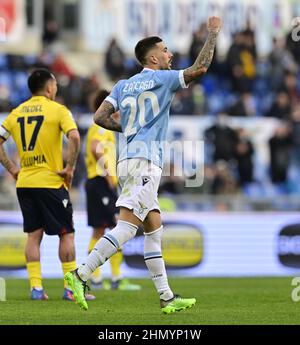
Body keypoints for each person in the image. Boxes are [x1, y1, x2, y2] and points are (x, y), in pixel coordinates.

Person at [65, 16, 221, 313]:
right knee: (126, 228)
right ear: (153, 57)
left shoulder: (123, 85)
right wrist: (212, 34)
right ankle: (80, 274)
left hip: (129, 159)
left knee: (153, 227)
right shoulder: (163, 79)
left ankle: (166, 297)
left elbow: (99, 117)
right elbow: (200, 68)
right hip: (145, 162)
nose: (170, 54)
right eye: (165, 50)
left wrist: (129, 130)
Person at [0, 69, 94, 301]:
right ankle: (71, 288)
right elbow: (74, 137)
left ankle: (36, 288)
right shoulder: (58, 110)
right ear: (50, 88)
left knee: (33, 235)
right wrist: (70, 168)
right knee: (66, 234)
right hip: (50, 182)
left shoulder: (17, 112)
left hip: (25, 183)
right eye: (55, 87)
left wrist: (12, 169)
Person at [85, 89, 141, 290]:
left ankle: (101, 278)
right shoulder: (100, 126)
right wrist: (109, 174)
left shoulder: (103, 126)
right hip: (100, 182)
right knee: (117, 226)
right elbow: (95, 147)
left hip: (99, 182)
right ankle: (111, 278)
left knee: (101, 230)